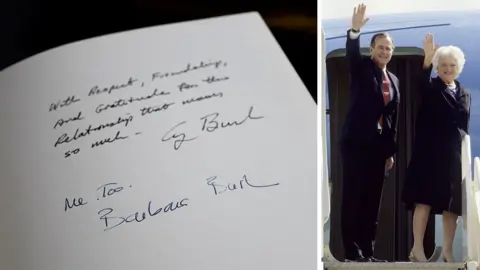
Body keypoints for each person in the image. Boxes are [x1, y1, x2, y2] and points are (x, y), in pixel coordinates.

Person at [402, 33, 471, 263]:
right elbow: (419, 83)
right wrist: (427, 61)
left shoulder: (464, 93)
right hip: (430, 155)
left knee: (452, 206)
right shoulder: (430, 88)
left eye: (452, 65)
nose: (448, 69)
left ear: (458, 67)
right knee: (424, 201)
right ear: (437, 68)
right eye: (443, 65)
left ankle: (448, 252)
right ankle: (417, 250)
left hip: (453, 157)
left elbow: (464, 128)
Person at [339, 3, 400, 262]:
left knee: (371, 202)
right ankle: (353, 252)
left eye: (388, 48)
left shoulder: (395, 80)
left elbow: (392, 118)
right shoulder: (362, 67)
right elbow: (351, 53)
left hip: (378, 148)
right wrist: (354, 30)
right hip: (356, 143)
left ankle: (367, 252)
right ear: (372, 49)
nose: (384, 51)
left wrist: (389, 152)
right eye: (380, 47)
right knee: (353, 197)